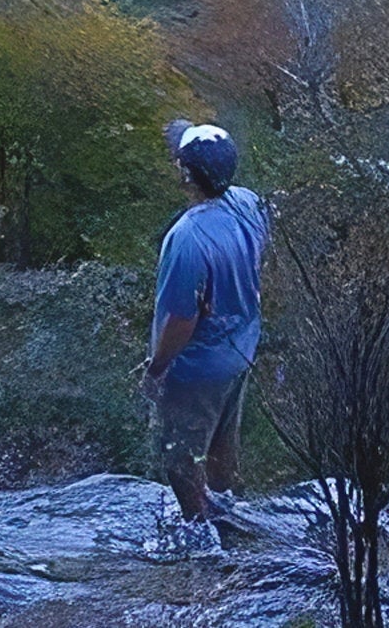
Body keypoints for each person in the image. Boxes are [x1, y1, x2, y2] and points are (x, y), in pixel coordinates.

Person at [139, 119, 268, 558]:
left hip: (196, 367)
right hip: (240, 349)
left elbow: (180, 319)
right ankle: (232, 518)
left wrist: (157, 369)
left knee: (181, 458)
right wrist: (186, 137)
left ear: (186, 175)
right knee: (221, 445)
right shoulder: (249, 205)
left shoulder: (186, 238)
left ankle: (203, 543)